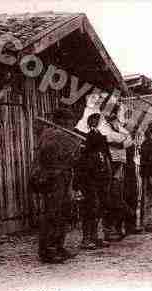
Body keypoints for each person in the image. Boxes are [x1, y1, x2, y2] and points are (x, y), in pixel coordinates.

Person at [35, 108, 82, 263]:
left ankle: (58, 246)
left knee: (64, 212)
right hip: (52, 177)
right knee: (52, 213)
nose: (71, 124)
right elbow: (50, 155)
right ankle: (47, 250)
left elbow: (74, 158)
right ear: (61, 121)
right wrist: (72, 144)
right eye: (69, 121)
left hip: (65, 176)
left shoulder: (66, 135)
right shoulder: (50, 134)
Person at [74, 113, 112, 250]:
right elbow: (79, 166)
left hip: (101, 180)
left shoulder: (101, 141)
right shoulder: (84, 143)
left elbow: (107, 158)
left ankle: (96, 237)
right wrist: (78, 185)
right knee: (89, 208)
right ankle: (86, 239)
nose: (96, 122)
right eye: (93, 120)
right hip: (88, 181)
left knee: (99, 208)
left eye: (98, 120)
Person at [101, 114, 135, 241]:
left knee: (119, 197)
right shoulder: (104, 128)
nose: (114, 121)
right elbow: (111, 139)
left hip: (120, 166)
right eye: (111, 119)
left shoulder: (120, 129)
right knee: (111, 199)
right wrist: (121, 140)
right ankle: (108, 230)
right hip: (109, 165)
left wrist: (121, 141)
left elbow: (128, 141)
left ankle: (117, 228)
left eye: (115, 119)